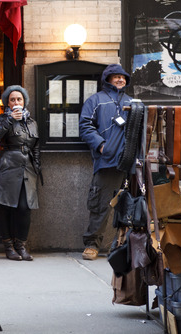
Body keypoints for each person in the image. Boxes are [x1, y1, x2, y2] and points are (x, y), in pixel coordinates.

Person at [79, 64, 133, 261]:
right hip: (108, 161)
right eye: (116, 76)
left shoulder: (132, 102)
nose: (120, 80)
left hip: (131, 163)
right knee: (101, 205)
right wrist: (102, 146)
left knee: (130, 206)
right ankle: (92, 244)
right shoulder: (96, 100)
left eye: (123, 77)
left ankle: (123, 244)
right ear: (108, 80)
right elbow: (85, 126)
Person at [0, 85, 41, 261]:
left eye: (19, 99)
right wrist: (8, 120)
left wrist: (36, 165)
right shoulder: (1, 119)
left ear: (24, 102)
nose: (16, 102)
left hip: (27, 169)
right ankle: (8, 246)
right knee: (4, 207)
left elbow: (36, 145)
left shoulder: (32, 122)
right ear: (8, 102)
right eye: (12, 99)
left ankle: (21, 245)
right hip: (7, 166)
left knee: (24, 207)